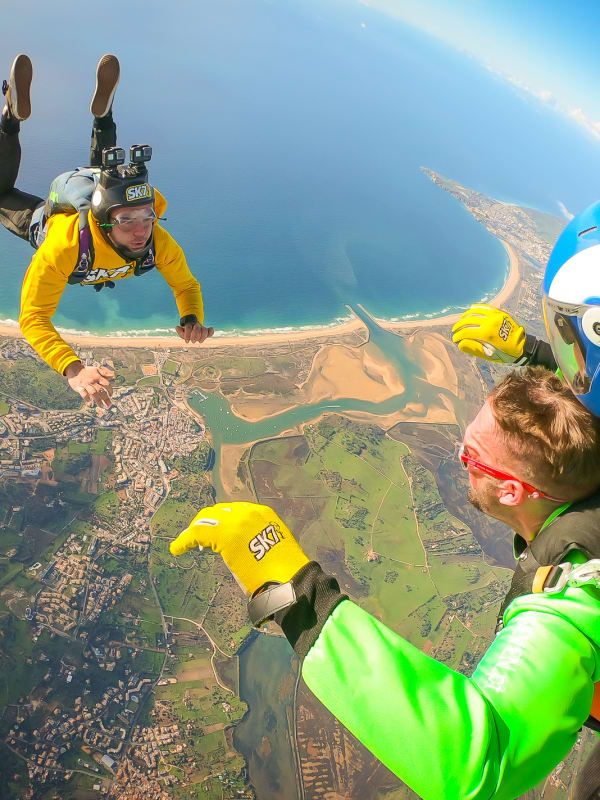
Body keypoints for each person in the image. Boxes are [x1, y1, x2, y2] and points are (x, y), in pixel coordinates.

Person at [169, 367, 600, 800]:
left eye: (470, 456)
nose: (460, 461)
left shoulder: (575, 590)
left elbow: (479, 760)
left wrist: (296, 591)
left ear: (510, 491)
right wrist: (533, 351)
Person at [0, 54, 214, 408]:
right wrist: (73, 369)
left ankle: (104, 114)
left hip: (101, 209)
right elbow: (32, 317)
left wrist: (191, 318)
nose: (141, 231)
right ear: (102, 222)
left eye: (147, 217)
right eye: (127, 222)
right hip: (47, 221)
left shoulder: (156, 240)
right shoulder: (64, 243)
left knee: (108, 174)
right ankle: (10, 120)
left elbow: (186, 285)